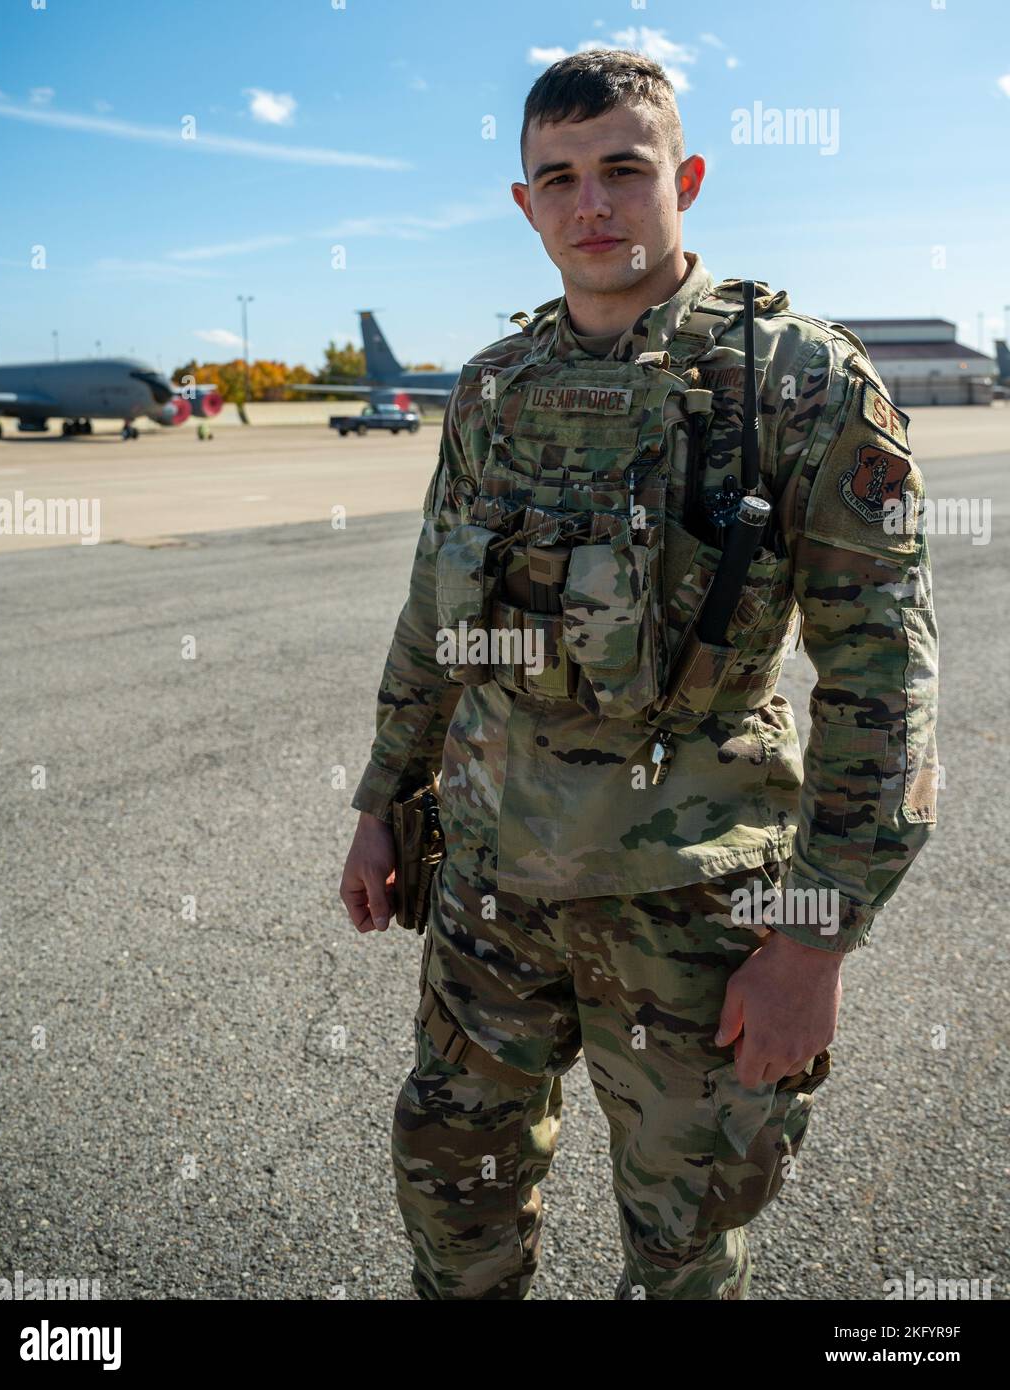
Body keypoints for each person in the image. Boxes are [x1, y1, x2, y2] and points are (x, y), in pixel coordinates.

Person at [339, 49, 939, 1300]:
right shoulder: (492, 387)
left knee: (682, 1243)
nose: (590, 205)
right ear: (522, 204)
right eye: (556, 179)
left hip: (689, 907)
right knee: (447, 1190)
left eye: (623, 168)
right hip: (489, 889)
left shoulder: (798, 380)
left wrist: (812, 945)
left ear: (688, 179)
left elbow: (880, 679)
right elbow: (432, 613)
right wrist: (378, 800)